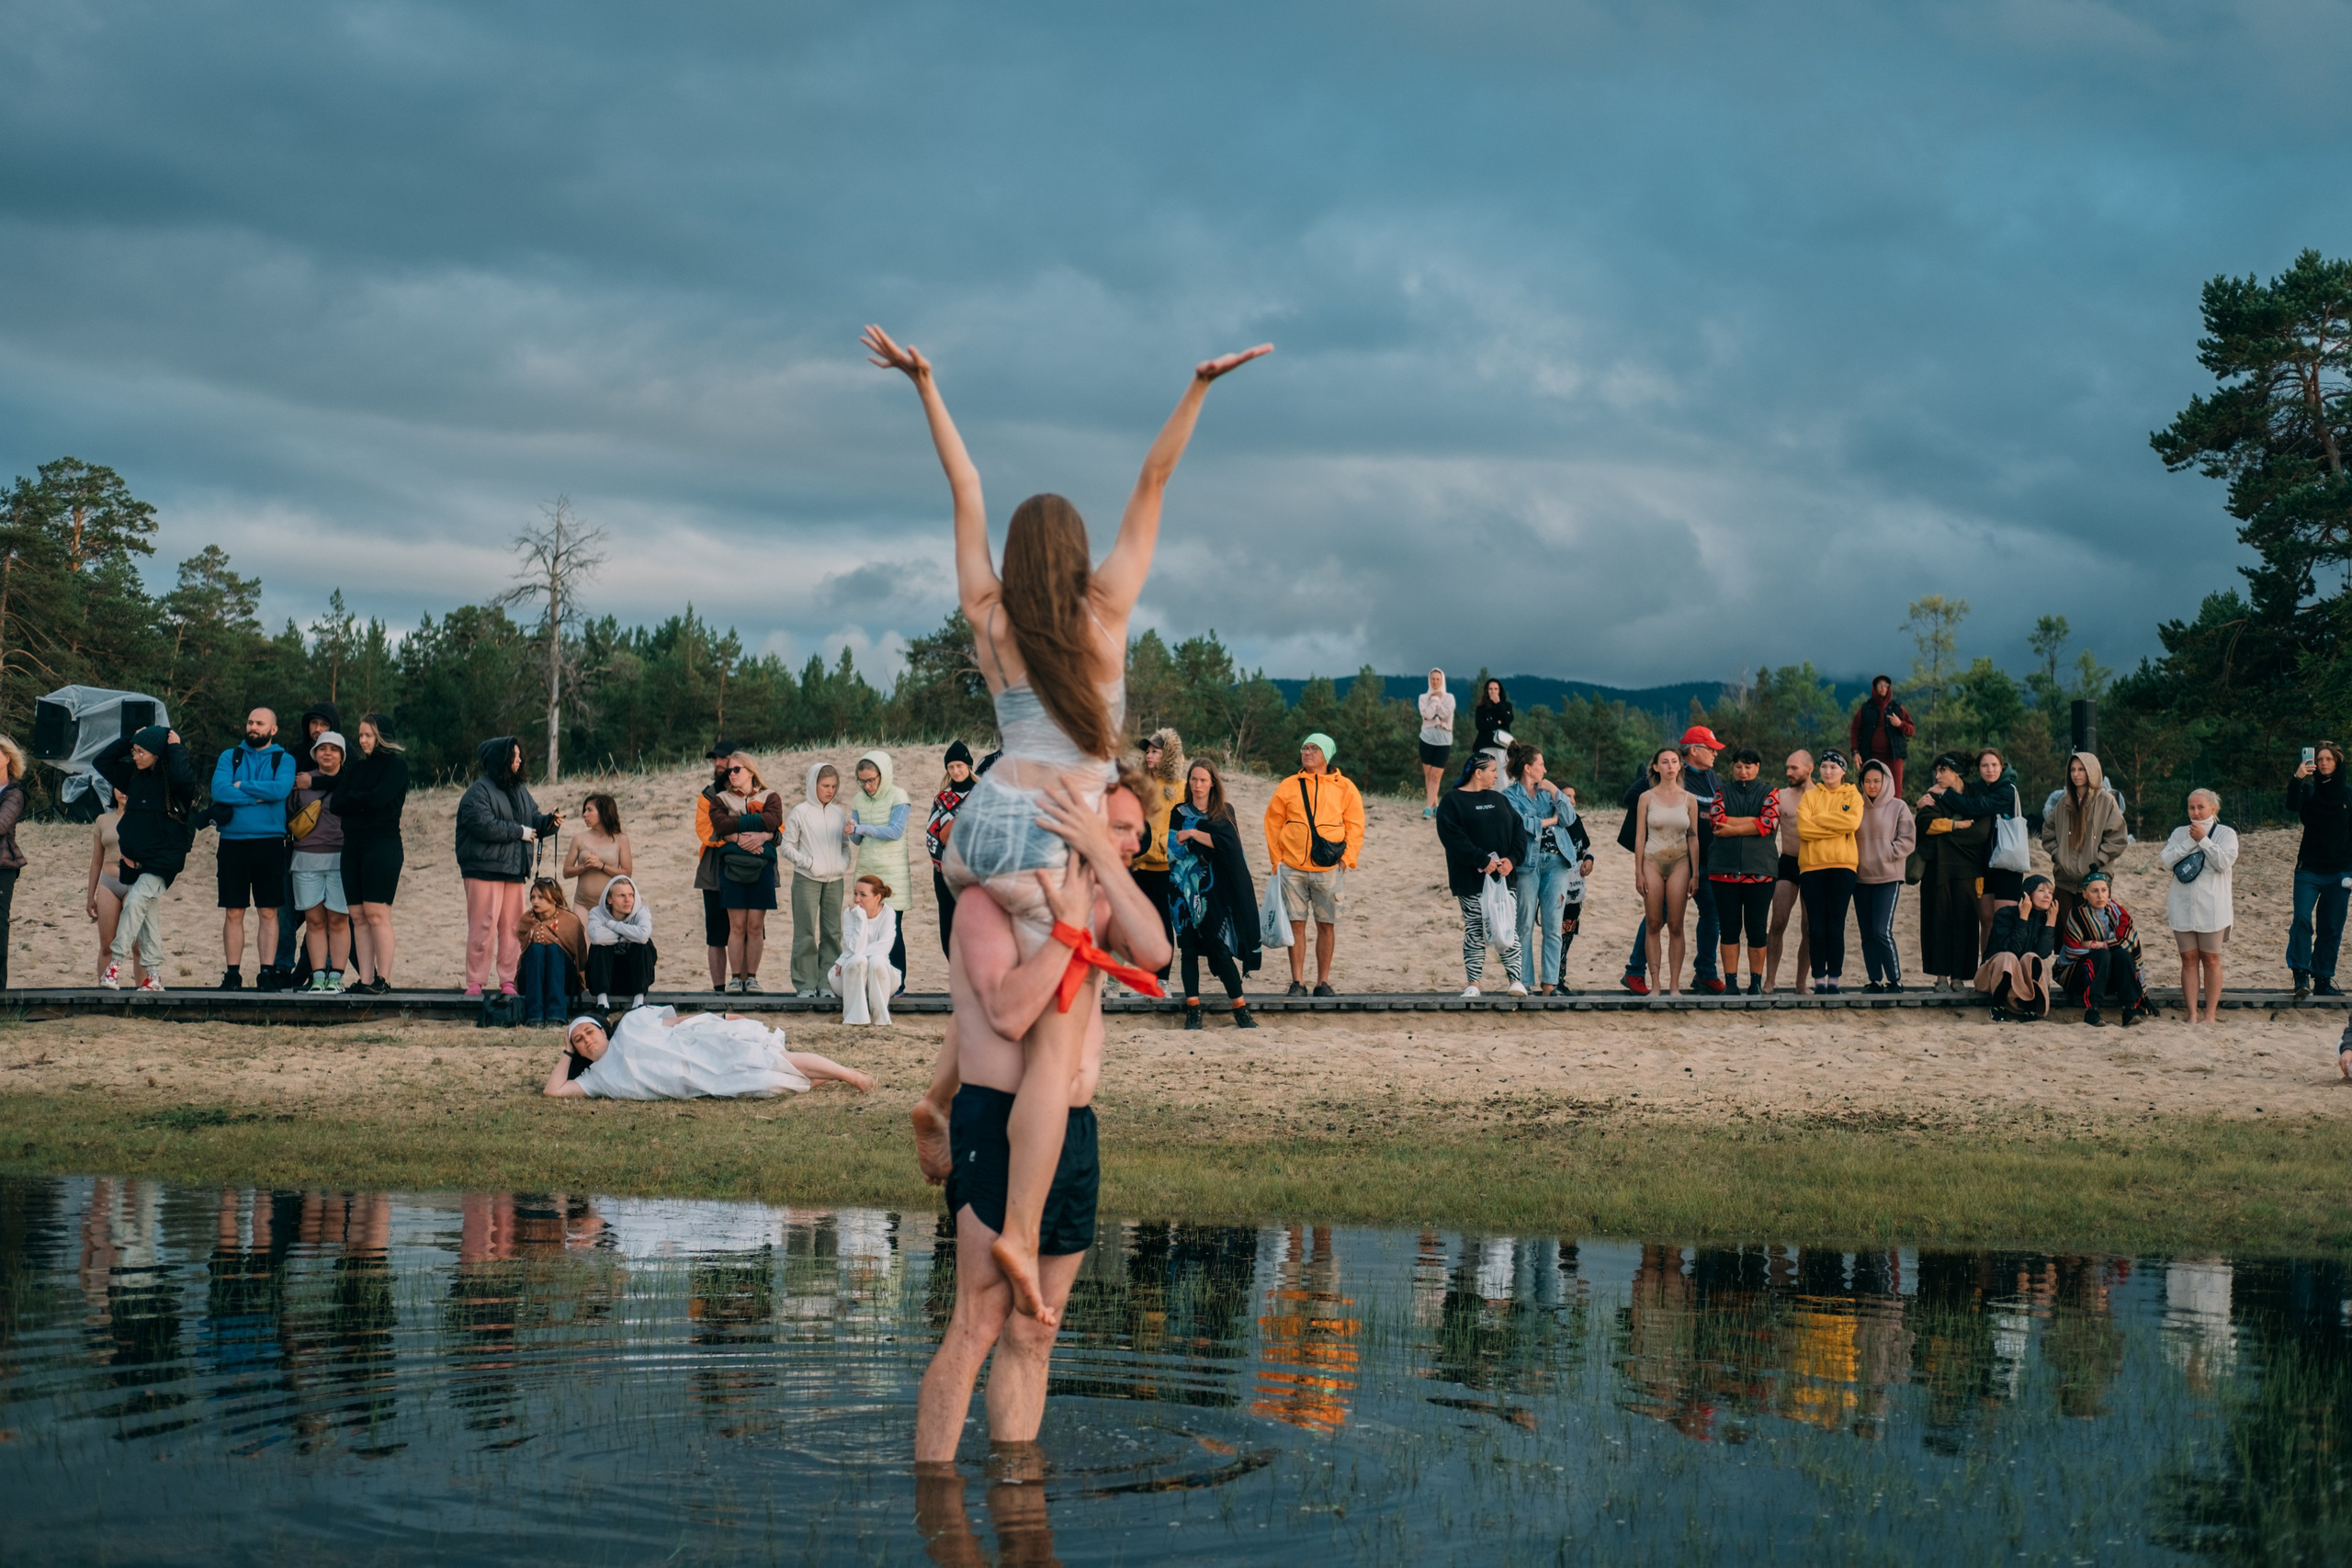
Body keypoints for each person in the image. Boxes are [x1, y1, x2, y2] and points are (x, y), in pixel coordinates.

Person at [868, 319, 1254, 1324]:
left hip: (983, 824)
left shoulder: (991, 616)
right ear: (1077, 554)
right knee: (1057, 1034)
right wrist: (1198, 388)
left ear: (1015, 553)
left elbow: (962, 486)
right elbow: (1154, 482)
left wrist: (924, 383)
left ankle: (938, 1098)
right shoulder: (1105, 612)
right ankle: (1019, 1228)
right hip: (1054, 827)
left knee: (991, 992)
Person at [910, 774, 1169, 1458]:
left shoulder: (1100, 898)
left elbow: (1156, 952)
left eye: (1138, 832)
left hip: (1074, 1130)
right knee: (977, 1323)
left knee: (1036, 1330)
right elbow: (1009, 1011)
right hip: (997, 1124)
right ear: (1074, 820)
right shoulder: (984, 904)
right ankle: (935, 1496)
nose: (1134, 840)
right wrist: (1068, 928)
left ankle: (1015, 1488)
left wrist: (1105, 865)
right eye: (1120, 827)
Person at [546, 1008, 874, 1100]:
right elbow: (554, 1091)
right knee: (770, 1085)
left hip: (703, 1048)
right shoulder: (596, 1079)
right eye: (578, 1040)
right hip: (696, 1081)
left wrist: (723, 1017)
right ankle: (832, 1078)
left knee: (773, 1061)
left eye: (588, 1031)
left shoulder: (631, 1024)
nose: (586, 1040)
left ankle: (849, 1075)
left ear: (602, 1030)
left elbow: (679, 1022)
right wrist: (566, 1049)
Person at [454, 735, 560, 999]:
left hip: (513, 870)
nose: (519, 759)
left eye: (519, 755)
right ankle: (476, 982)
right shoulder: (477, 792)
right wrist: (519, 831)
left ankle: (508, 981)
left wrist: (548, 822)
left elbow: (532, 819)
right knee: (483, 927)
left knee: (513, 928)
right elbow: (484, 825)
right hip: (483, 870)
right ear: (501, 759)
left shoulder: (519, 790)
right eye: (514, 755)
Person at [1622, 726, 1724, 995]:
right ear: (1694, 750)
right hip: (1667, 856)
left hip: (1706, 858)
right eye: (1711, 749)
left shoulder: (1712, 778)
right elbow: (1630, 797)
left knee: (1712, 914)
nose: (1715, 754)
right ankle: (1635, 971)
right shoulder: (1671, 773)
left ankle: (1705, 973)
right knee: (1658, 917)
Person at [1263, 731, 1365, 997]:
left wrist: (1346, 860)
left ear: (1326, 755)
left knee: (1326, 926)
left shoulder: (1345, 787)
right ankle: (1297, 982)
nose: (1307, 752)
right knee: (1296, 925)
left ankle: (1322, 983)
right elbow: (1273, 822)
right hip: (1292, 868)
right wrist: (1277, 860)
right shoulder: (1288, 785)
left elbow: (1355, 825)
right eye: (1304, 748)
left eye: (1314, 748)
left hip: (1329, 869)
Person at [96, 725, 195, 991]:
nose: (135, 756)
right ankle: (154, 976)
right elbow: (101, 762)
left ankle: (114, 965)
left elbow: (186, 781)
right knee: (147, 917)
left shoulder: (173, 782)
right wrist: (131, 738)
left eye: (141, 752)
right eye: (134, 751)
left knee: (135, 901)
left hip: (163, 861)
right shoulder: (133, 775)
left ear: (157, 753)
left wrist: (176, 747)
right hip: (134, 861)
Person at [1169, 757, 1261, 1027]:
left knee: (1219, 949)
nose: (1197, 785)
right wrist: (1205, 842)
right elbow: (1174, 848)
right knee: (1188, 950)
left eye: (1203, 780)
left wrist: (1193, 834)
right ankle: (1193, 1011)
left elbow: (1229, 846)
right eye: (1193, 779)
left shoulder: (1224, 812)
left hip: (1215, 893)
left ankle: (1240, 1009)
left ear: (1212, 783)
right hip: (1183, 891)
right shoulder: (1179, 812)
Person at [209, 706, 293, 991]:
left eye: (259, 723)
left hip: (270, 842)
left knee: (268, 911)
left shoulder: (284, 759)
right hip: (232, 842)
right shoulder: (229, 756)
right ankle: (232, 974)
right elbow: (219, 790)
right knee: (234, 911)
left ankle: (266, 972)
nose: (253, 727)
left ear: (273, 729)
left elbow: (280, 790)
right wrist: (255, 797)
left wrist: (242, 785)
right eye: (250, 722)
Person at [1436, 750, 1529, 997]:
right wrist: (1481, 859)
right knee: (1475, 929)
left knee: (1507, 928)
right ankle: (1474, 984)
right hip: (1470, 880)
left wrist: (1512, 860)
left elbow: (1519, 831)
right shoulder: (1452, 801)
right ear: (1478, 773)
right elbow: (1452, 838)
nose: (1497, 776)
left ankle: (1516, 981)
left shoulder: (1499, 799)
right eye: (1493, 771)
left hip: (1503, 878)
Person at [328, 715, 408, 993]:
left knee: (376, 914)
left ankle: (383, 980)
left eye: (368, 735)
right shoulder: (356, 767)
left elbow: (379, 798)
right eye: (360, 735)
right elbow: (336, 804)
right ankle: (366, 980)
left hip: (382, 846)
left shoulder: (396, 766)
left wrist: (355, 798)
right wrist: (362, 800)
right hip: (352, 846)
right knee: (357, 916)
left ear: (382, 736)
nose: (362, 740)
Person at [1502, 744, 1589, 995]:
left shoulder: (1550, 793)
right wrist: (1551, 820)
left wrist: (1554, 791)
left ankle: (1550, 984)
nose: (1545, 769)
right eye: (1541, 765)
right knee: (1524, 925)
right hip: (1527, 864)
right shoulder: (1509, 796)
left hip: (1557, 863)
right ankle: (1524, 983)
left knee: (1553, 926)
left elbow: (1569, 819)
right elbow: (1520, 825)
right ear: (1527, 768)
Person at [271, 701, 342, 984]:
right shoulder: (296, 755)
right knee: (287, 912)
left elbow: (347, 780)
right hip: (297, 846)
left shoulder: (345, 757)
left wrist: (312, 783)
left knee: (329, 917)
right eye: (313, 723)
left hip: (335, 850)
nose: (318, 729)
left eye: (324, 724)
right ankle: (281, 968)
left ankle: (313, 971)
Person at [1629, 746, 1702, 996]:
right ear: (1656, 767)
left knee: (1676, 925)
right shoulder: (1646, 798)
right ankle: (1656, 984)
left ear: (1680, 766)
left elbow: (1693, 837)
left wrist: (1695, 873)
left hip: (1680, 861)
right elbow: (1640, 837)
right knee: (1653, 922)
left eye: (1674, 761)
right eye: (1665, 762)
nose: (1670, 766)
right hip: (1652, 859)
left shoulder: (1689, 799)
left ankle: (1674, 985)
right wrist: (1638, 872)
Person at [1707, 747, 1781, 996]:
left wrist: (1733, 828)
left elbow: (1769, 822)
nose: (1743, 772)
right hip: (1723, 869)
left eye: (1748, 767)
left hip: (1760, 869)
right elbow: (1716, 820)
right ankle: (1731, 984)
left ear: (1758, 767)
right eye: (1738, 766)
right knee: (1728, 928)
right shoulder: (1722, 791)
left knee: (1757, 929)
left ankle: (1755, 983)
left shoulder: (1770, 791)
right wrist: (1753, 822)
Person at [1913, 751, 1989, 989]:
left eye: (1943, 770)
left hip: (1969, 870)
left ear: (1957, 771)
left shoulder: (1976, 795)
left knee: (1965, 922)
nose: (1938, 775)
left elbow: (1980, 833)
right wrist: (1956, 826)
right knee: (1938, 921)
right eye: (1936, 770)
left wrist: (1942, 838)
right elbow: (1925, 824)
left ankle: (1958, 977)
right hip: (1937, 870)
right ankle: (1941, 977)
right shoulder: (1932, 795)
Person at [2162, 788, 2237, 1026]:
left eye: (2200, 807)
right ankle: (2192, 1013)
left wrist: (2203, 839)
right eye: (2191, 807)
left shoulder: (2226, 833)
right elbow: (2166, 861)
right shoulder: (2179, 833)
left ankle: (2210, 1014)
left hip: (2213, 906)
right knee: (2188, 959)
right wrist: (2190, 841)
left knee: (2211, 960)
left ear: (2213, 808)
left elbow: (2223, 862)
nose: (2195, 812)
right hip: (2182, 904)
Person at [1943, 748, 2028, 954]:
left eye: (1994, 765)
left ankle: (2003, 966)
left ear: (2002, 766)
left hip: (2008, 863)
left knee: (2004, 919)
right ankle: (1987, 965)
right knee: (1986, 919)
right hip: (1983, 862)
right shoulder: (1977, 788)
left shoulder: (2008, 790)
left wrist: (1946, 795)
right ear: (1979, 768)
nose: (1990, 769)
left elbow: (1977, 806)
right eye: (1984, 765)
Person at [287, 730, 352, 992]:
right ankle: (317, 977)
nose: (328, 753)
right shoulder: (300, 781)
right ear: (314, 753)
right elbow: (289, 813)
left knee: (338, 921)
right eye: (323, 748)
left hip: (341, 857)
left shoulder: (349, 781)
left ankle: (336, 976)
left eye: (334, 749)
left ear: (342, 755)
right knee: (314, 922)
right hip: (305, 858)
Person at [1795, 749, 1864, 993]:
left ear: (1843, 770)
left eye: (1833, 767)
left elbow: (1852, 823)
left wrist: (1819, 819)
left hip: (1843, 866)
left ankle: (1834, 979)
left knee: (1835, 925)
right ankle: (1818, 979)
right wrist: (1836, 825)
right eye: (1824, 766)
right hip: (1812, 867)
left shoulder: (1853, 795)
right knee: (1815, 927)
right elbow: (1804, 830)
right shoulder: (1810, 796)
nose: (1828, 771)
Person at [713, 755, 783, 994]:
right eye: (729, 771)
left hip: (762, 867)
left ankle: (751, 978)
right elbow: (720, 825)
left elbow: (773, 820)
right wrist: (754, 832)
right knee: (737, 926)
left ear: (751, 771)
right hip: (732, 866)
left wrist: (741, 826)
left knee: (755, 925)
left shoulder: (770, 796)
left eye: (736, 769)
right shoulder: (721, 798)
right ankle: (735, 979)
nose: (731, 774)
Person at [2287, 741, 2350, 999]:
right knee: (2302, 919)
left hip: (2340, 873)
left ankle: (2323, 978)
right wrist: (2297, 778)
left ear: (2338, 763)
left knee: (2331, 927)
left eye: (2329, 759)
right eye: (2320, 759)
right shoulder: (2309, 791)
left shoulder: (2348, 795)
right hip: (2309, 870)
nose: (2323, 763)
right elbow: (2292, 806)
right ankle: (2301, 975)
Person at [845, 750, 912, 990]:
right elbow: (857, 840)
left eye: (871, 780)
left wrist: (861, 828)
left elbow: (895, 831)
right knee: (864, 926)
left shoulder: (899, 796)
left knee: (892, 929)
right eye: (862, 781)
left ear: (883, 775)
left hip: (893, 872)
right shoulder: (858, 800)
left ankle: (897, 985)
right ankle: (867, 982)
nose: (867, 786)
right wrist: (851, 830)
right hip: (867, 870)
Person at [785, 761, 853, 995]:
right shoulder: (800, 812)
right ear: (813, 784)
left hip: (835, 881)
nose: (830, 791)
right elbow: (787, 846)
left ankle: (828, 984)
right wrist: (809, 863)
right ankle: (805, 984)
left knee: (832, 933)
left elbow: (845, 845)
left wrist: (842, 864)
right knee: (805, 932)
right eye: (825, 786)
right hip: (807, 879)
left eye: (833, 786)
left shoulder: (838, 813)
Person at [2041, 750, 2128, 931]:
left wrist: (2100, 859)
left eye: (2081, 769)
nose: (2076, 774)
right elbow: (2048, 831)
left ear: (2092, 771)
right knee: (2066, 935)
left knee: (2094, 934)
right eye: (2072, 770)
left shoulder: (2106, 801)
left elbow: (2118, 837)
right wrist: (2058, 855)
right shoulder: (2064, 802)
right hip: (2065, 881)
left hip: (2095, 881)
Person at [2053, 869, 2153, 1027]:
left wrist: (2097, 945)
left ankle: (2129, 1009)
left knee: (2123, 956)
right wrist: (2102, 950)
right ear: (2085, 894)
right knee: (2102, 956)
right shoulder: (2077, 915)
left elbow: (2127, 941)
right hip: (2081, 978)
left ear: (2109, 892)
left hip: (2109, 977)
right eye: (2094, 891)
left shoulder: (2118, 912)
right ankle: (2092, 1010)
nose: (2100, 896)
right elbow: (2072, 950)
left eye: (2104, 890)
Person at [1125, 728, 1185, 981]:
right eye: (1147, 751)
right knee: (1135, 926)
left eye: (1155, 752)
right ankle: (1140, 980)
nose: (1149, 756)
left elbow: (1181, 825)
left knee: (1162, 925)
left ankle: (1162, 981)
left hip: (1164, 868)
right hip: (1137, 865)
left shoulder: (1180, 787)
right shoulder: (1138, 785)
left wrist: (1162, 844)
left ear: (1168, 755)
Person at [1854, 759, 1917, 993]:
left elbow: (1908, 840)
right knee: (1867, 934)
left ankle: (1895, 980)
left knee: (1881, 930)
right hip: (1860, 878)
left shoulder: (1898, 806)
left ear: (1886, 781)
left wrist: (1887, 853)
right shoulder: (1855, 805)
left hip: (1888, 877)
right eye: (1867, 781)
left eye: (1877, 781)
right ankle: (1875, 980)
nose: (1872, 786)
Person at [692, 742, 742, 992]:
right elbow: (706, 832)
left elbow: (770, 823)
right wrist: (739, 836)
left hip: (747, 869)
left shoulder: (753, 790)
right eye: (715, 759)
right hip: (713, 871)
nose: (718, 764)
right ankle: (719, 989)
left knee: (745, 930)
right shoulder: (708, 795)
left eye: (723, 758)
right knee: (715, 935)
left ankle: (744, 983)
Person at [1974, 874, 2059, 1021]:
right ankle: (1997, 1006)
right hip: (1992, 976)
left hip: (2021, 981)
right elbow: (2012, 949)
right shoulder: (2005, 914)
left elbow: (2042, 953)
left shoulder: (2045, 920)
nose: (2047, 896)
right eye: (2041, 891)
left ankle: (2030, 1010)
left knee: (2032, 957)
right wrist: (2023, 918)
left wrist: (2050, 924)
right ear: (2027, 894)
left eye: (2050, 892)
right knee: (2009, 957)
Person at [1764, 750, 1814, 993]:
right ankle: (1769, 980)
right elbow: (1768, 835)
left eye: (1794, 768)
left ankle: (1801, 983)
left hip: (1814, 864)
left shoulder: (1822, 796)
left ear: (1809, 769)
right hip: (1788, 862)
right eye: (1787, 768)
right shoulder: (1780, 796)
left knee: (1809, 927)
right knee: (1778, 921)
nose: (1788, 772)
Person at [924, 742, 978, 955]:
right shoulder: (941, 798)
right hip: (945, 873)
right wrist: (945, 864)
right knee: (948, 928)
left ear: (969, 765)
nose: (955, 771)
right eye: (951, 767)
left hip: (976, 874)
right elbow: (931, 836)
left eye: (959, 766)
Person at [515, 875, 586, 1027]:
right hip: (533, 977)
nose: (535, 901)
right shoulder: (526, 920)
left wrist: (583, 983)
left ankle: (556, 1014)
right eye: (533, 897)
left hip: (562, 978)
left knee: (554, 949)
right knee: (536, 949)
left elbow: (581, 956)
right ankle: (534, 1015)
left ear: (554, 898)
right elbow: (523, 955)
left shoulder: (570, 921)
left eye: (541, 897)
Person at [832, 874, 901, 1025]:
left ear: (877, 897)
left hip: (880, 978)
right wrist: (861, 919)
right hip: (852, 977)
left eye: (863, 895)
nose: (857, 899)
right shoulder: (850, 913)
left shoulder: (888, 913)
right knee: (859, 960)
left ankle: (881, 1019)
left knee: (876, 960)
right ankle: (856, 1018)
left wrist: (844, 957)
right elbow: (855, 949)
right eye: (855, 894)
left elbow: (883, 947)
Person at [583, 874, 656, 1009]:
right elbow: (597, 937)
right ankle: (602, 1003)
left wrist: (613, 925)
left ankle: (638, 1001)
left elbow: (642, 936)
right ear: (609, 899)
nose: (628, 900)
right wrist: (629, 935)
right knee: (599, 946)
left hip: (633, 977)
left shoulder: (642, 911)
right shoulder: (597, 912)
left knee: (644, 945)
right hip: (606, 977)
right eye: (621, 895)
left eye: (631, 895)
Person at [85, 804, 136, 987]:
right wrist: (90, 896)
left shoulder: (142, 817)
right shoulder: (103, 820)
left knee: (138, 946)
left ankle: (144, 992)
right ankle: (104, 993)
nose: (123, 793)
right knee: (107, 945)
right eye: (119, 789)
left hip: (135, 882)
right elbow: (96, 860)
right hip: (109, 882)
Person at [1847, 675, 1916, 797]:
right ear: (1874, 688)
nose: (1883, 688)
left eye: (1886, 685)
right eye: (1880, 685)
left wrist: (1900, 724)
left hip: (1893, 757)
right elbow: (1854, 730)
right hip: (1870, 756)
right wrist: (1855, 752)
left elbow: (1911, 730)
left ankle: (1895, 811)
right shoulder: (1865, 708)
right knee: (1870, 791)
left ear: (1889, 688)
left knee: (1895, 793)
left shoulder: (1897, 708)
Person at [562, 793, 632, 912]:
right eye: (585, 810)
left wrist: (601, 866)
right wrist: (584, 867)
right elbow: (566, 872)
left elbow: (627, 873)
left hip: (610, 905)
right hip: (582, 903)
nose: (584, 814)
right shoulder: (579, 838)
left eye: (590, 810)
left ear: (603, 812)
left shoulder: (621, 839)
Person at [1419, 669, 1456, 818]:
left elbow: (1445, 715)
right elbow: (1427, 715)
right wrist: (1435, 700)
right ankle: (1435, 805)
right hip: (1427, 739)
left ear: (1442, 680)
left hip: (1444, 740)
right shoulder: (1423, 697)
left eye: (1438, 679)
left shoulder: (1449, 698)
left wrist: (1435, 704)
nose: (1435, 682)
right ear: (1429, 680)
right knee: (1428, 774)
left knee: (1436, 775)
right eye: (1433, 679)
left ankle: (1427, 807)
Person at [0, 736, 22, 991]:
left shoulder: (15, 793)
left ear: (7, 757)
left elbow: (2, 824)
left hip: (3, 867)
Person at [1472, 679, 1513, 753]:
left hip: (1502, 744)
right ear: (1487, 691)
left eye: (1496, 689)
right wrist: (1498, 722)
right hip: (1485, 744)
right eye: (1490, 689)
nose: (1493, 691)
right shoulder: (1481, 707)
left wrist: (1498, 703)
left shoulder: (1507, 706)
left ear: (1500, 691)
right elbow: (1480, 725)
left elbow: (1507, 720)